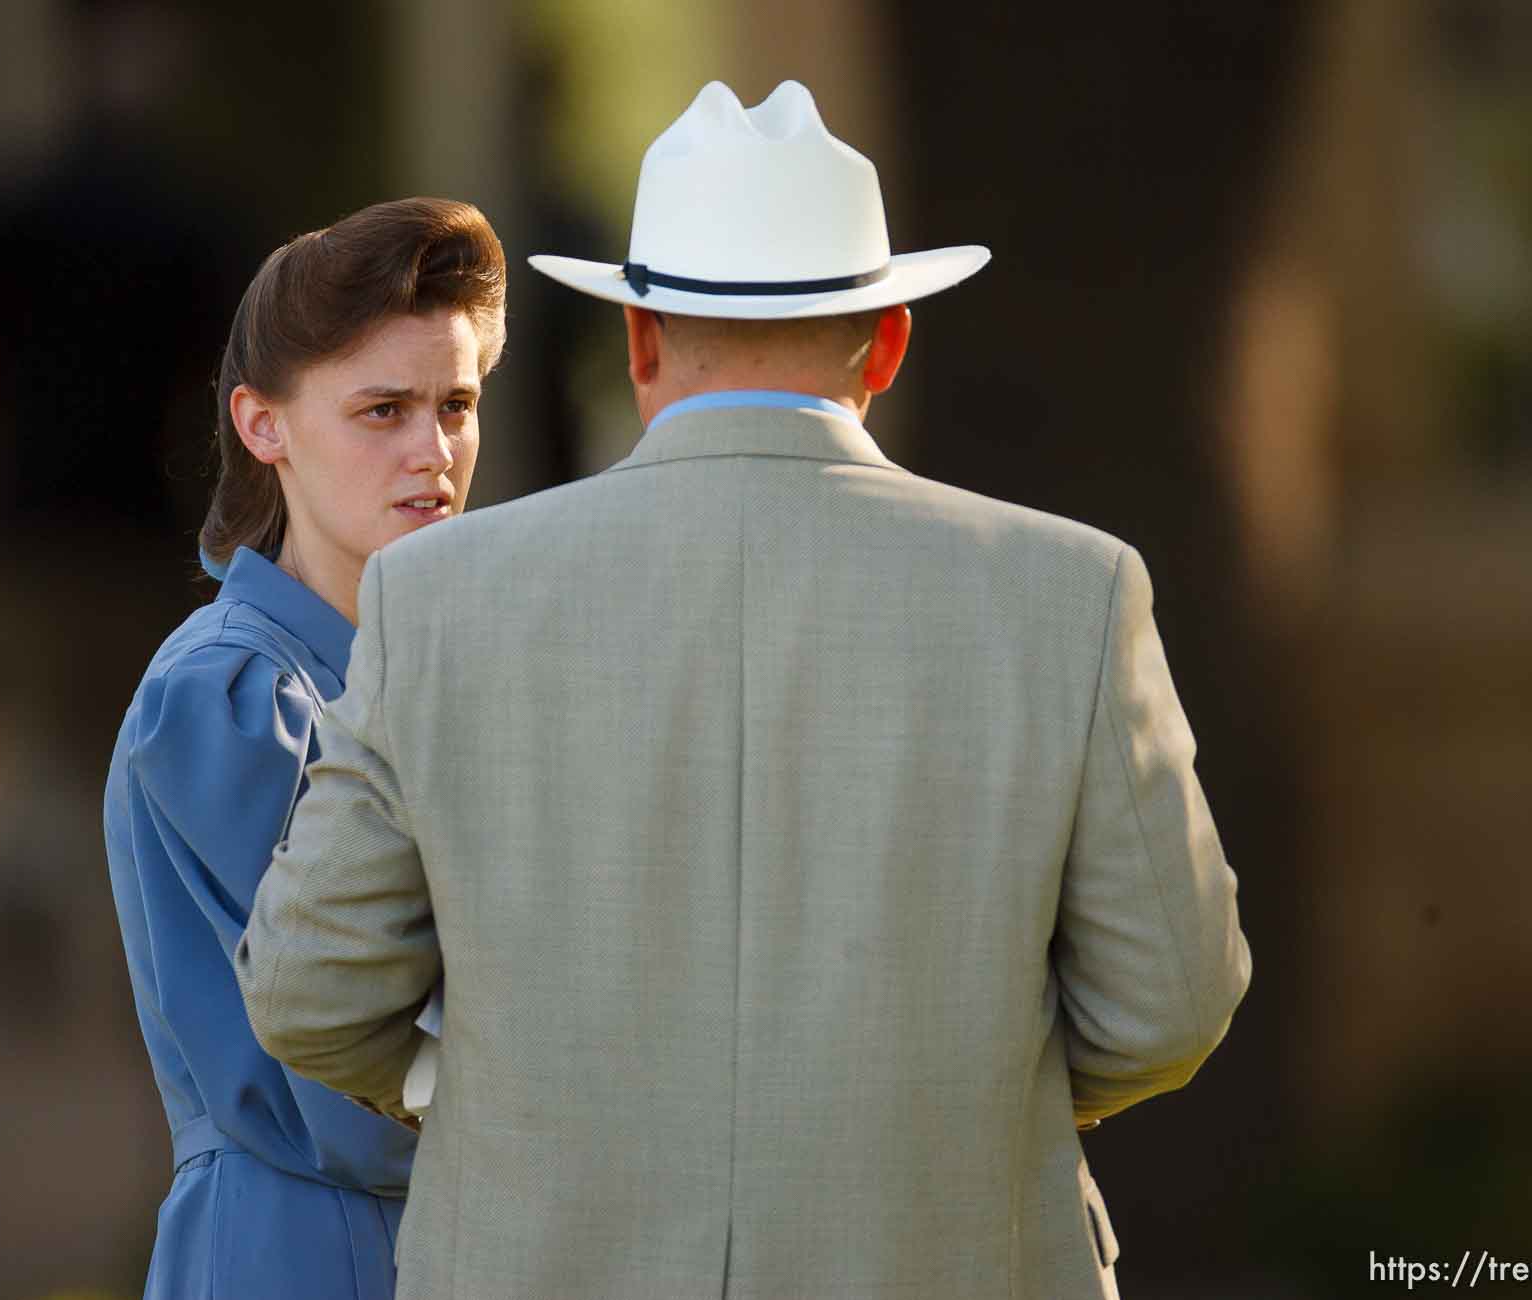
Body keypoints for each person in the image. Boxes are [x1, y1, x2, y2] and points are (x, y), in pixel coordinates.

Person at [237, 82, 1250, 1299]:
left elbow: (307, 991)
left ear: (640, 341)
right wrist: (967, 1103)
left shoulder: (439, 598)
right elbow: (1172, 1004)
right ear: (887, 339)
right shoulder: (1072, 594)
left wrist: (505, 1102)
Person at [102, 196, 505, 1299]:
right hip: (297, 1245)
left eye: (456, 404)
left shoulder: (427, 671)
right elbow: (355, 1086)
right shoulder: (226, 691)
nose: (434, 450)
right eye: (383, 410)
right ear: (262, 423)